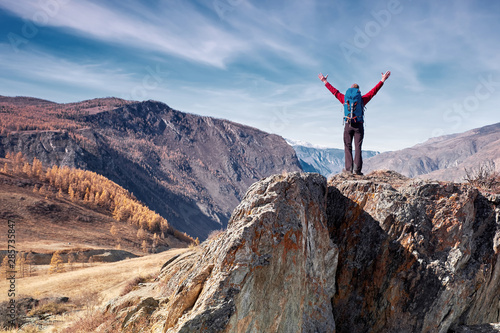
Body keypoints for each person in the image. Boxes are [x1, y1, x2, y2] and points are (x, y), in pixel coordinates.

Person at [318, 71, 391, 175]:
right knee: (358, 147)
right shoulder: (362, 99)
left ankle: (348, 170)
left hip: (348, 125)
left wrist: (325, 81)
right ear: (358, 90)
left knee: (347, 147)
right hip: (359, 125)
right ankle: (357, 170)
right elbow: (373, 92)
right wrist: (383, 80)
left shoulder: (344, 98)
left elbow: (334, 92)